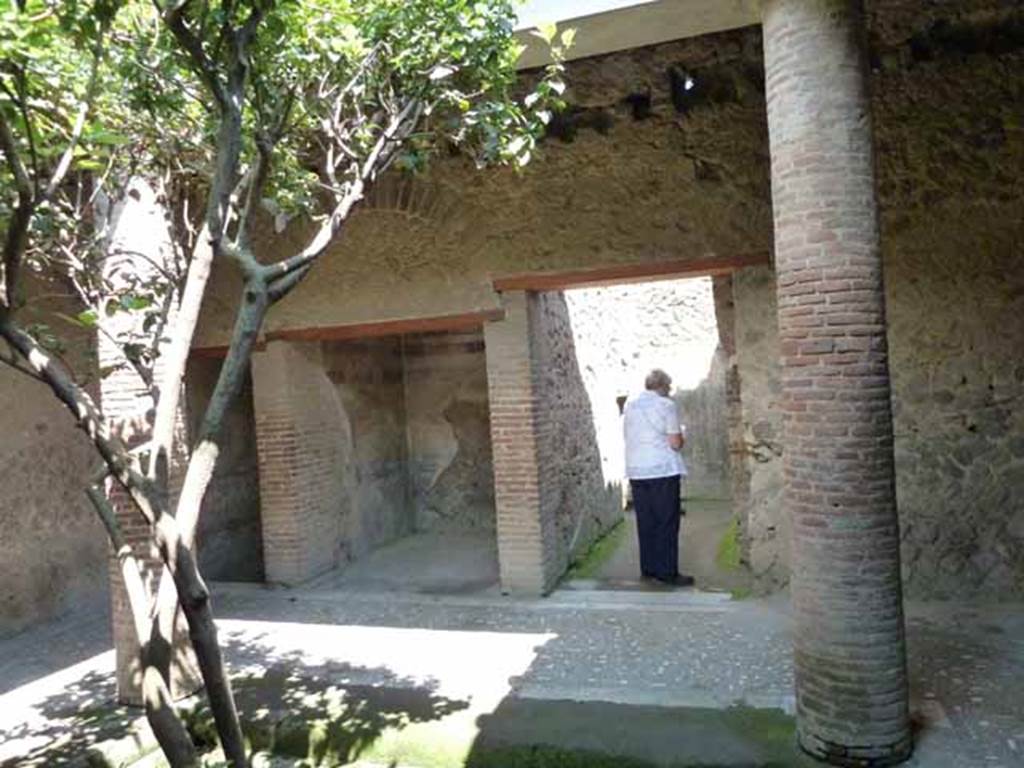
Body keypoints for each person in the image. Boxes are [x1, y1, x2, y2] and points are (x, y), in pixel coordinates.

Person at [623, 368, 693, 587]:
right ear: (663, 387)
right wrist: (683, 435)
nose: (669, 391)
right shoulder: (666, 405)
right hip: (662, 470)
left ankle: (649, 568)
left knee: (646, 520)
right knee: (666, 521)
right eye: (669, 387)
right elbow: (675, 442)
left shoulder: (630, 406)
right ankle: (667, 572)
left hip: (636, 470)